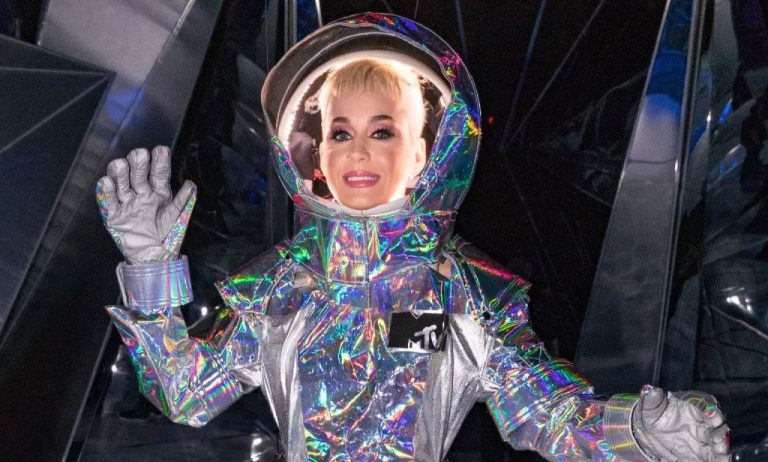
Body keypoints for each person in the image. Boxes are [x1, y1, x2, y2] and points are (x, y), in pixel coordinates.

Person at [95, 13, 730, 461]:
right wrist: (149, 266)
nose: (358, 150)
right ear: (315, 155)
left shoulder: (463, 296)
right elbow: (186, 394)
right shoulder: (282, 289)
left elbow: (546, 412)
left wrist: (639, 433)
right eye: (340, 132)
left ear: (424, 153)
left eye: (382, 131)